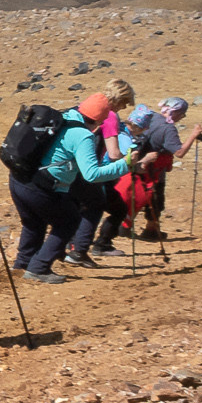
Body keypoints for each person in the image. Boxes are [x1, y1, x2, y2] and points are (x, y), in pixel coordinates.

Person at [11, 91, 137, 284]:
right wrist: (126, 164)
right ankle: (39, 268)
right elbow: (92, 174)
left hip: (18, 179)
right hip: (40, 186)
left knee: (33, 223)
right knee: (69, 221)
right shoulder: (82, 135)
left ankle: (22, 266)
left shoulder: (63, 117)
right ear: (100, 120)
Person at [63, 80, 136, 266]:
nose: (124, 108)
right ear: (120, 99)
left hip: (72, 165)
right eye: (125, 103)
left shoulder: (88, 105)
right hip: (90, 167)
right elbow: (114, 153)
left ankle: (70, 245)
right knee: (96, 204)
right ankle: (81, 250)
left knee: (78, 205)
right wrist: (130, 163)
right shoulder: (109, 115)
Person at [127, 97, 202, 240]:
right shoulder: (168, 128)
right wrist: (193, 135)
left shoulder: (151, 117)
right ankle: (151, 230)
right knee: (155, 199)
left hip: (137, 164)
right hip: (154, 169)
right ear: (176, 112)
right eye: (182, 114)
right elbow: (179, 152)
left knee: (135, 196)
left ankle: (124, 226)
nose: (182, 117)